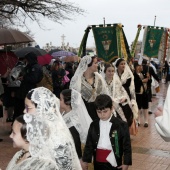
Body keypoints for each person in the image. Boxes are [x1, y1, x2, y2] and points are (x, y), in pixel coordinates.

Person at [24, 87, 81, 169]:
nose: (24, 111)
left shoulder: (57, 136)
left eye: (27, 108)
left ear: (41, 108)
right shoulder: (40, 129)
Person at [82, 94, 132, 170]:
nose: (102, 115)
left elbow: (127, 146)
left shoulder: (121, 125)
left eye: (105, 111)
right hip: (98, 161)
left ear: (111, 108)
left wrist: (126, 163)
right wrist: (85, 160)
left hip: (114, 162)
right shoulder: (93, 125)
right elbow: (89, 143)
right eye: (99, 112)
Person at [70, 55, 109, 120]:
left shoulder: (99, 77)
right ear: (88, 65)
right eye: (95, 63)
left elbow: (105, 93)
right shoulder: (77, 80)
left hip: (100, 112)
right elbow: (74, 100)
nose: (97, 65)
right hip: (84, 114)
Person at [60, 89, 92, 167]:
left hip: (77, 156)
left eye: (61, 99)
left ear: (67, 103)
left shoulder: (72, 121)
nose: (59, 101)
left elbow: (76, 141)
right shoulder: (66, 113)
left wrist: (80, 159)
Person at [13, 52, 43, 120]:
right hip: (24, 90)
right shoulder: (30, 66)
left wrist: (25, 77)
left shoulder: (35, 67)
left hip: (27, 91)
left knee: (23, 108)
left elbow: (34, 79)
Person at [134, 63, 149, 127]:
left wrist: (148, 78)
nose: (141, 67)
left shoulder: (144, 73)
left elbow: (148, 81)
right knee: (138, 107)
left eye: (141, 66)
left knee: (145, 107)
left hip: (145, 92)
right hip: (138, 93)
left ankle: (146, 121)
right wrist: (142, 81)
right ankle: (138, 120)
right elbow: (136, 83)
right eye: (139, 66)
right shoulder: (134, 75)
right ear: (136, 67)